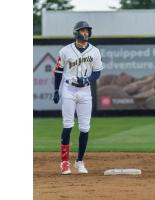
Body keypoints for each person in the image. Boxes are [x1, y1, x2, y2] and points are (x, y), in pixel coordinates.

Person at [52, 21, 103, 175]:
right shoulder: (65, 51)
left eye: (87, 30)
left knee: (85, 127)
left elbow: (97, 72)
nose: (86, 33)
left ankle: (79, 161)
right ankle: (64, 163)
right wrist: (56, 89)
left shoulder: (95, 51)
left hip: (85, 92)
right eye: (83, 30)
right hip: (69, 89)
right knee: (68, 125)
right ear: (76, 33)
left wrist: (87, 80)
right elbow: (58, 71)